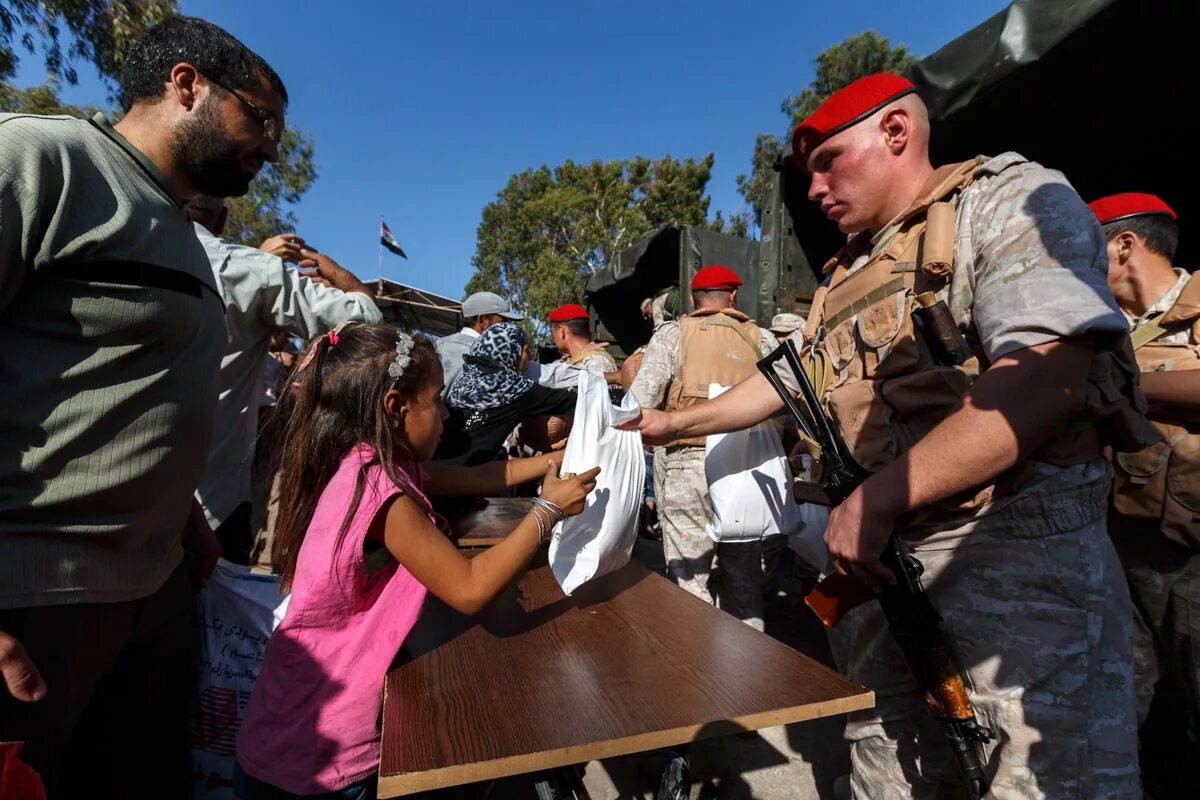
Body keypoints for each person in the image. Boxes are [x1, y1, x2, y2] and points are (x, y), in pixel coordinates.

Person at [629, 74, 1146, 797]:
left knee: (1039, 779)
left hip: (1012, 566)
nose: (812, 190)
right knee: (885, 769)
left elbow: (1041, 378)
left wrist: (877, 501)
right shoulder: (847, 273)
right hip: (883, 573)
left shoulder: (1004, 202)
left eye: (827, 162)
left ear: (896, 132)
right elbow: (789, 380)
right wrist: (672, 422)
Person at [0, 15, 286, 797]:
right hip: (40, 600)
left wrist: (182, 519)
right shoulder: (39, 160)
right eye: (261, 119)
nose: (270, 149)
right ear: (187, 84)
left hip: (152, 590)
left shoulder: (179, 228)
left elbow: (127, 390)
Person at [234, 322, 598, 798]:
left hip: (289, 721)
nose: (447, 413)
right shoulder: (382, 492)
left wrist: (570, 457)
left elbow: (480, 476)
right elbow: (468, 588)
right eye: (437, 399)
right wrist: (546, 511)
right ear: (396, 407)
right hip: (318, 755)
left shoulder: (370, 462)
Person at [188, 194, 382, 564]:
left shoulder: (119, 243)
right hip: (212, 499)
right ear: (224, 219)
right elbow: (365, 319)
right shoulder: (247, 269)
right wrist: (339, 275)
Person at [1090, 192, 1200, 794]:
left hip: (1192, 552)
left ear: (1124, 244)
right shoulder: (1102, 328)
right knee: (1131, 708)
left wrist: (1130, 382)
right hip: (1121, 547)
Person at [628, 264, 780, 630]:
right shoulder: (764, 339)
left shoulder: (672, 335)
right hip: (748, 468)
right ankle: (748, 673)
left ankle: (693, 675)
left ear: (695, 300)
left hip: (686, 465)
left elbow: (639, 402)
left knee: (688, 579)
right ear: (733, 297)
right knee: (744, 580)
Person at [436, 322, 578, 466]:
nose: (528, 360)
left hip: (433, 468)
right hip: (463, 478)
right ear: (511, 351)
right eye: (526, 351)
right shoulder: (515, 388)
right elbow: (573, 400)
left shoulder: (466, 376)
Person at [435, 290, 525, 399]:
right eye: (502, 322)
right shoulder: (489, 358)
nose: (507, 328)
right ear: (483, 320)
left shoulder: (438, 345)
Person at [548, 303, 618, 373]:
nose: (553, 339)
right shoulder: (567, 361)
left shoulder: (594, 362)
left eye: (552, 332)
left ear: (561, 331)